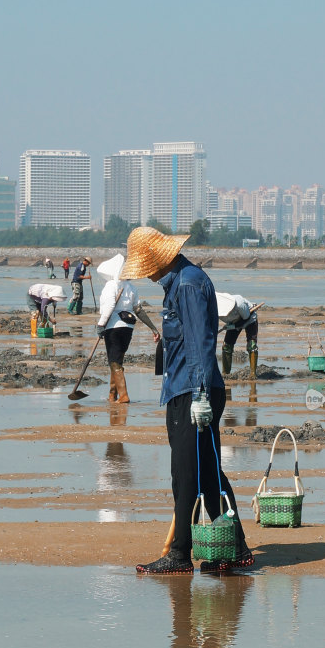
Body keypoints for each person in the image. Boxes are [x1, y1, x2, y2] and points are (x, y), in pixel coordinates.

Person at [121, 227, 254, 574]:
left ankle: (179, 555)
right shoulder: (179, 282)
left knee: (185, 475)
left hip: (192, 392)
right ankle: (234, 549)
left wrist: (199, 394)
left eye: (146, 266)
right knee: (206, 473)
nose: (146, 273)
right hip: (184, 388)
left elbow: (199, 342)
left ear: (158, 261)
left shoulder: (187, 284)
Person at [96, 253, 160, 403]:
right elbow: (138, 310)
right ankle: (113, 395)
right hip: (128, 327)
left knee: (114, 361)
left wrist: (100, 324)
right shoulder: (131, 287)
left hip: (113, 327)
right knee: (117, 360)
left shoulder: (110, 285)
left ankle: (123, 396)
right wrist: (153, 328)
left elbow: (110, 305)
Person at [216, 292, 259, 378]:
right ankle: (226, 374)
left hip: (249, 319)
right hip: (232, 323)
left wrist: (233, 326)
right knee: (226, 346)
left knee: (252, 345)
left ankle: (253, 374)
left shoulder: (239, 303)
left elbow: (246, 318)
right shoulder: (215, 307)